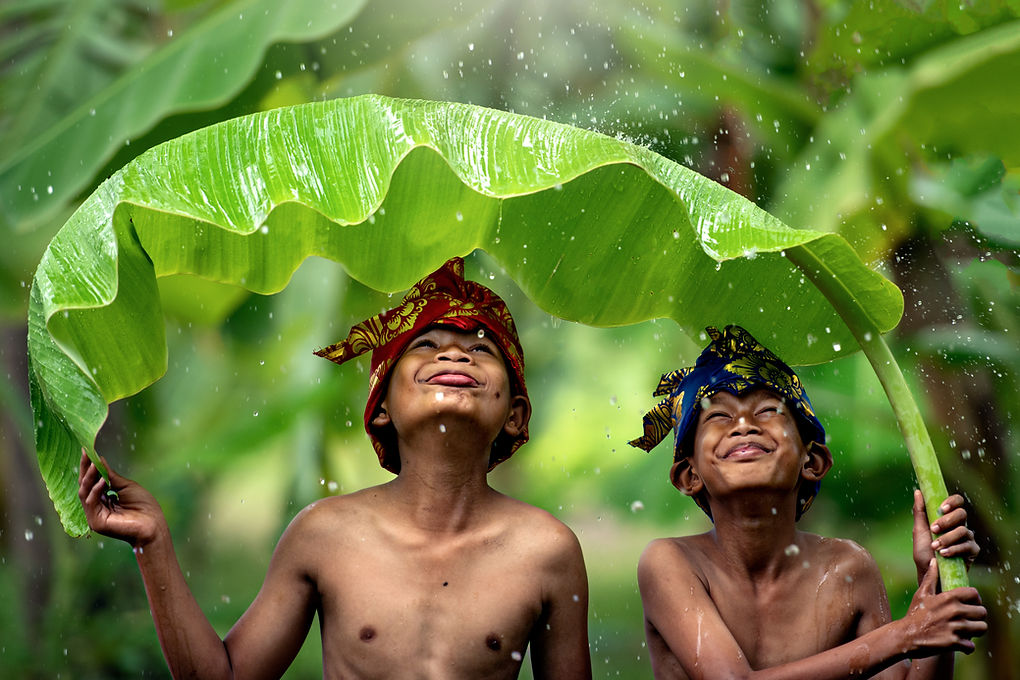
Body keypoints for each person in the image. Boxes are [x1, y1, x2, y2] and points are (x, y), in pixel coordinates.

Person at [79, 257, 592, 680]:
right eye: (425, 345)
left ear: (516, 414)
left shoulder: (545, 550)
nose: (456, 352)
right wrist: (151, 542)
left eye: (482, 348)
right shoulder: (325, 535)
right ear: (381, 405)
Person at [628, 325, 987, 680]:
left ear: (812, 461)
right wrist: (907, 633)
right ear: (688, 476)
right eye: (718, 415)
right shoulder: (670, 563)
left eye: (768, 410)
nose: (743, 425)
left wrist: (936, 580)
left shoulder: (848, 568)